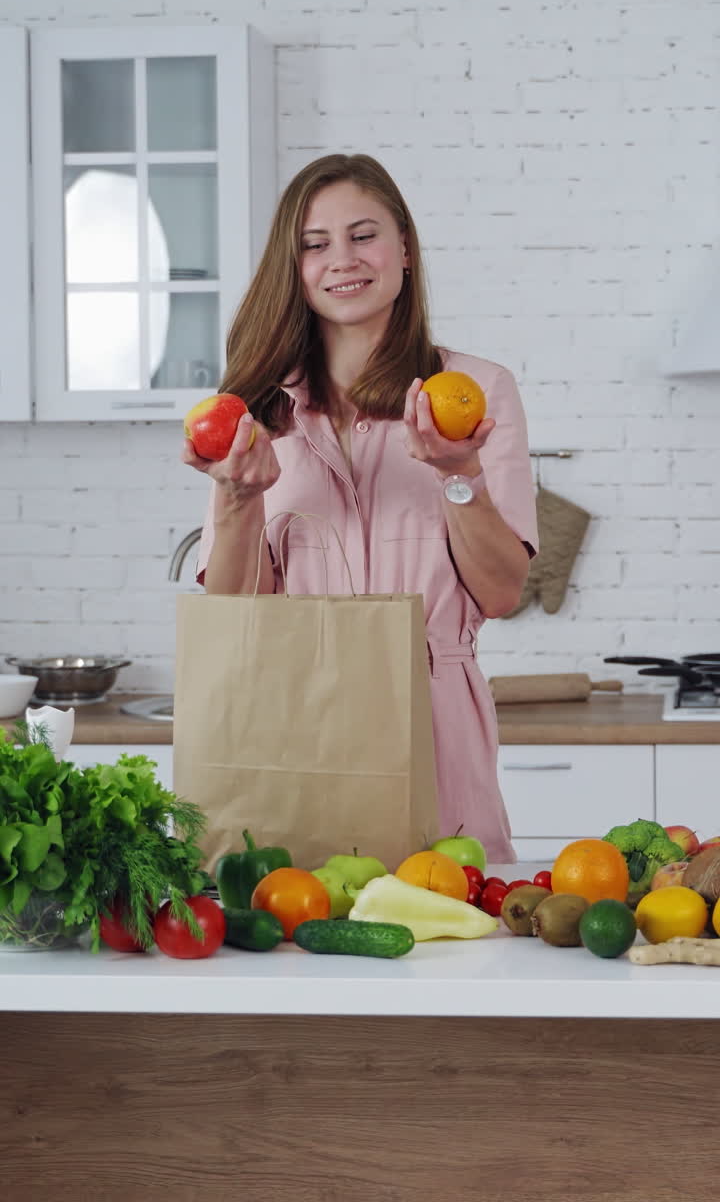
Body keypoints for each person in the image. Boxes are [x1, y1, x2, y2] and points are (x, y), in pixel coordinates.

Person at [184, 153, 538, 861]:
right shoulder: (253, 410)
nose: (340, 260)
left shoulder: (473, 391)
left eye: (363, 234)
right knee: (298, 937)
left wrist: (458, 474)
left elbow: (500, 593)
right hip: (296, 720)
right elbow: (234, 613)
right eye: (314, 244)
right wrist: (236, 498)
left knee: (450, 943)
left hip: (434, 718)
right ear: (295, 266)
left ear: (404, 247)